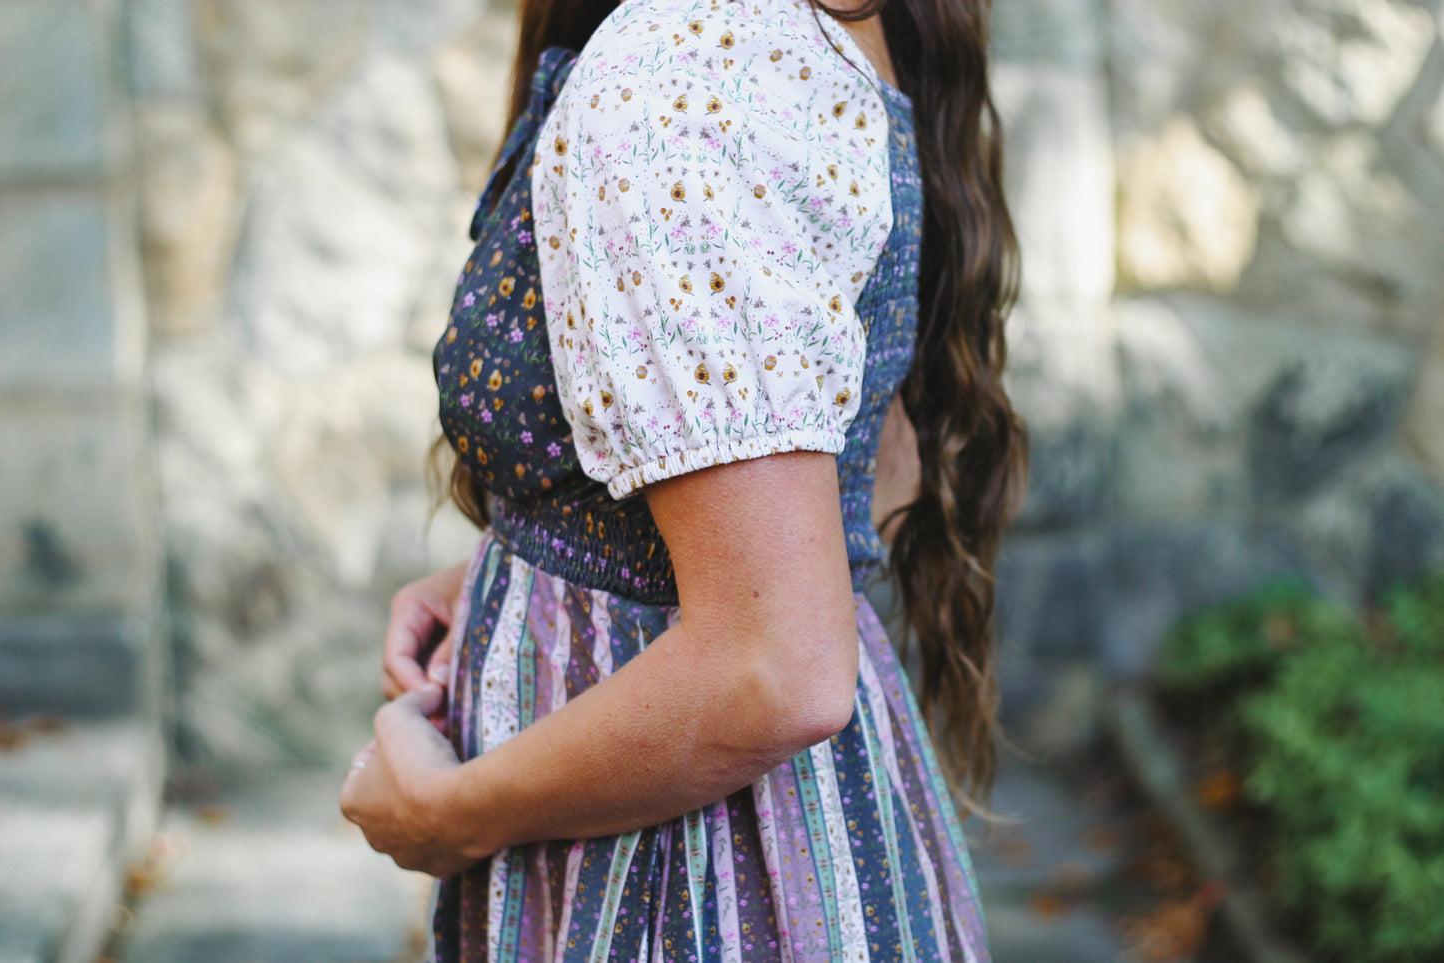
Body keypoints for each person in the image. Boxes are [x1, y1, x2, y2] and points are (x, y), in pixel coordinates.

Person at [340, 0, 1026, 958]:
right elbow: (873, 464)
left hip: (682, 879)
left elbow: (775, 667)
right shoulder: (798, 32)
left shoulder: (681, 71)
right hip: (782, 837)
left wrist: (452, 813)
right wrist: (546, 564)